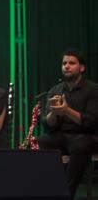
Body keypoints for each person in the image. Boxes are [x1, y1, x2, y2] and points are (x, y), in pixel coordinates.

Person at [37, 49, 98, 198]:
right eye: (64, 63)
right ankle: (45, 188)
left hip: (86, 136)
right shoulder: (55, 90)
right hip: (61, 136)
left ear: (81, 68)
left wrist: (67, 111)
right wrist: (53, 113)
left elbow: (92, 122)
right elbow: (48, 125)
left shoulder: (93, 89)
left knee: (79, 145)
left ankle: (66, 194)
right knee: (39, 141)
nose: (67, 66)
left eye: (72, 63)